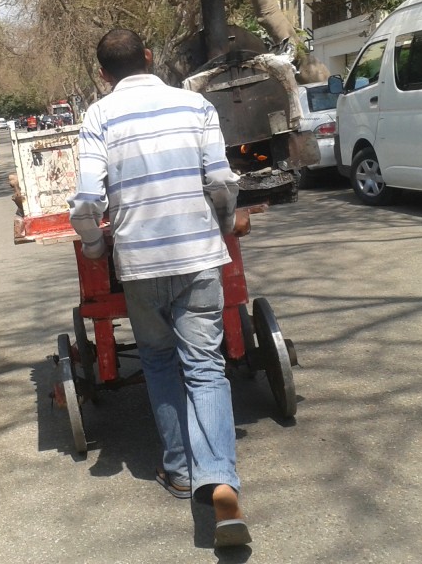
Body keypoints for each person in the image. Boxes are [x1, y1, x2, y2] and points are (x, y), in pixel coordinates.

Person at [68, 28, 252, 548]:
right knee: (206, 366)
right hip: (197, 258)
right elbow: (221, 182)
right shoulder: (196, 106)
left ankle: (178, 468)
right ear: (150, 57)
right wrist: (219, 224)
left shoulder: (99, 116)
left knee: (157, 360)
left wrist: (97, 248)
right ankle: (221, 484)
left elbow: (85, 203)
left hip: (141, 264)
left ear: (103, 73)